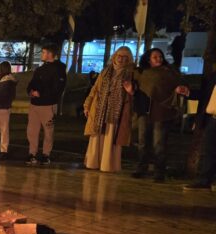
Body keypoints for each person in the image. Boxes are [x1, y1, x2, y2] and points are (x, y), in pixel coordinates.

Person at [131, 48, 188, 182]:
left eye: (160, 56)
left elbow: (181, 83)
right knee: (142, 142)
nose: (159, 59)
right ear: (148, 59)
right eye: (155, 57)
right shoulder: (141, 72)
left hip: (162, 111)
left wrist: (179, 89)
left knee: (159, 144)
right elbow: (135, 87)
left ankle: (159, 171)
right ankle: (141, 168)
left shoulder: (169, 72)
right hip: (144, 111)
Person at [82, 47, 135, 173]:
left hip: (116, 111)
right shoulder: (106, 71)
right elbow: (95, 89)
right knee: (97, 135)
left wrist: (130, 91)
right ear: (114, 56)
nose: (121, 59)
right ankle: (93, 162)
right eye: (119, 56)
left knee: (111, 137)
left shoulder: (130, 73)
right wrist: (87, 104)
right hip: (100, 108)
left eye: (125, 57)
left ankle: (108, 164)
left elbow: (134, 92)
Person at [25, 44, 67, 165]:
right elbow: (31, 83)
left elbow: (58, 89)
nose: (41, 55)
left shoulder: (59, 70)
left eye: (43, 52)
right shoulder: (40, 69)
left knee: (48, 131)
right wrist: (31, 92)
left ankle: (46, 154)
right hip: (35, 104)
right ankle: (32, 153)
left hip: (48, 105)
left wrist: (41, 93)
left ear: (49, 54)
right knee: (32, 131)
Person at [182, 71, 216, 190]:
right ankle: (204, 180)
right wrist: (189, 92)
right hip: (213, 117)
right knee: (209, 150)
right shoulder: (213, 76)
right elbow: (205, 94)